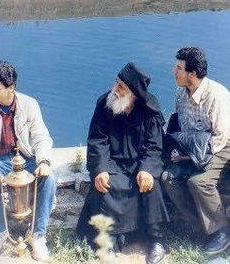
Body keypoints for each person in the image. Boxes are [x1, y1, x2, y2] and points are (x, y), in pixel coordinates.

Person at [77, 62, 169, 264]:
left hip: (140, 163)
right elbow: (97, 140)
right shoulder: (104, 104)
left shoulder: (150, 111)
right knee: (108, 185)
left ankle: (156, 240)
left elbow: (154, 146)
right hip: (112, 162)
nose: (115, 89)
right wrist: (101, 168)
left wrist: (146, 169)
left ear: (134, 93)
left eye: (121, 87)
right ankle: (109, 240)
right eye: (116, 83)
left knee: (150, 185)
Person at [162, 47, 230, 255]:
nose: (174, 71)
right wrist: (178, 152)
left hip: (221, 148)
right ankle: (201, 227)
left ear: (192, 73)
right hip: (192, 148)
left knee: (198, 181)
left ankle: (221, 231)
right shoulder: (180, 94)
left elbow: (220, 138)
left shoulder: (217, 96)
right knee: (167, 178)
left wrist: (188, 158)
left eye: (179, 68)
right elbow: (182, 129)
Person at [0, 61, 57, 262]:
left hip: (25, 160)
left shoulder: (29, 104)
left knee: (50, 179)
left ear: (11, 88)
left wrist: (44, 161)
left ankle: (38, 235)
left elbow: (41, 136)